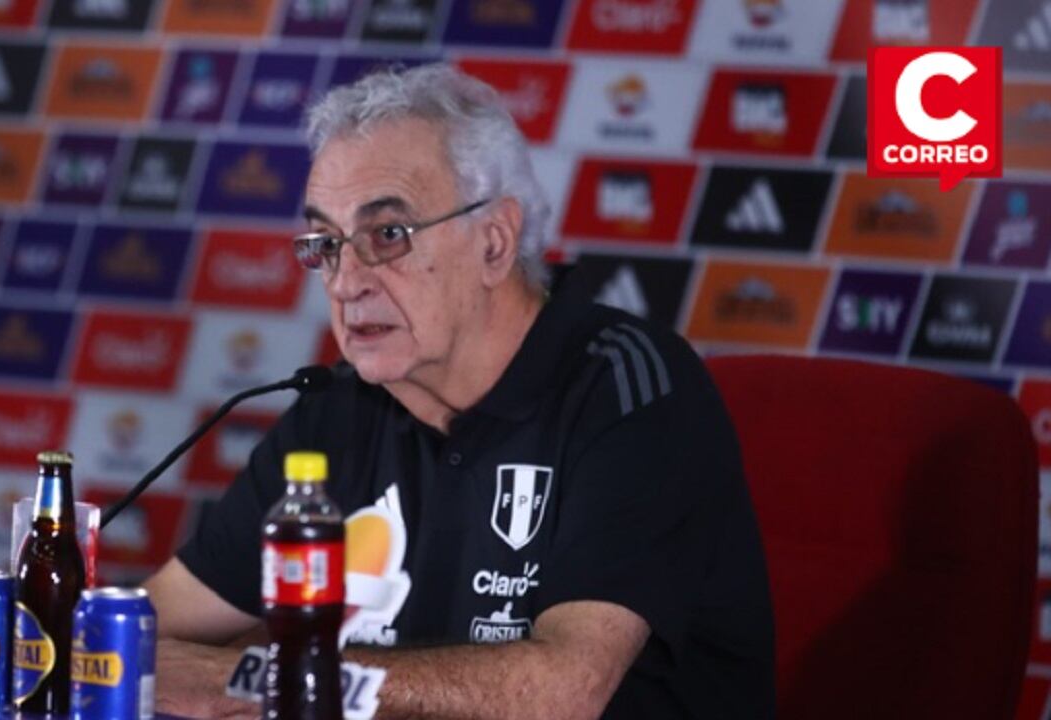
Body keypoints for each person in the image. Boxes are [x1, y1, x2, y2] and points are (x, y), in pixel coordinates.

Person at [143, 63, 775, 720]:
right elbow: (152, 628)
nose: (343, 280)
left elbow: (560, 694)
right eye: (326, 243)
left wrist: (248, 678)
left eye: (386, 235)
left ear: (495, 243)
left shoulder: (628, 389)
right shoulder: (337, 410)